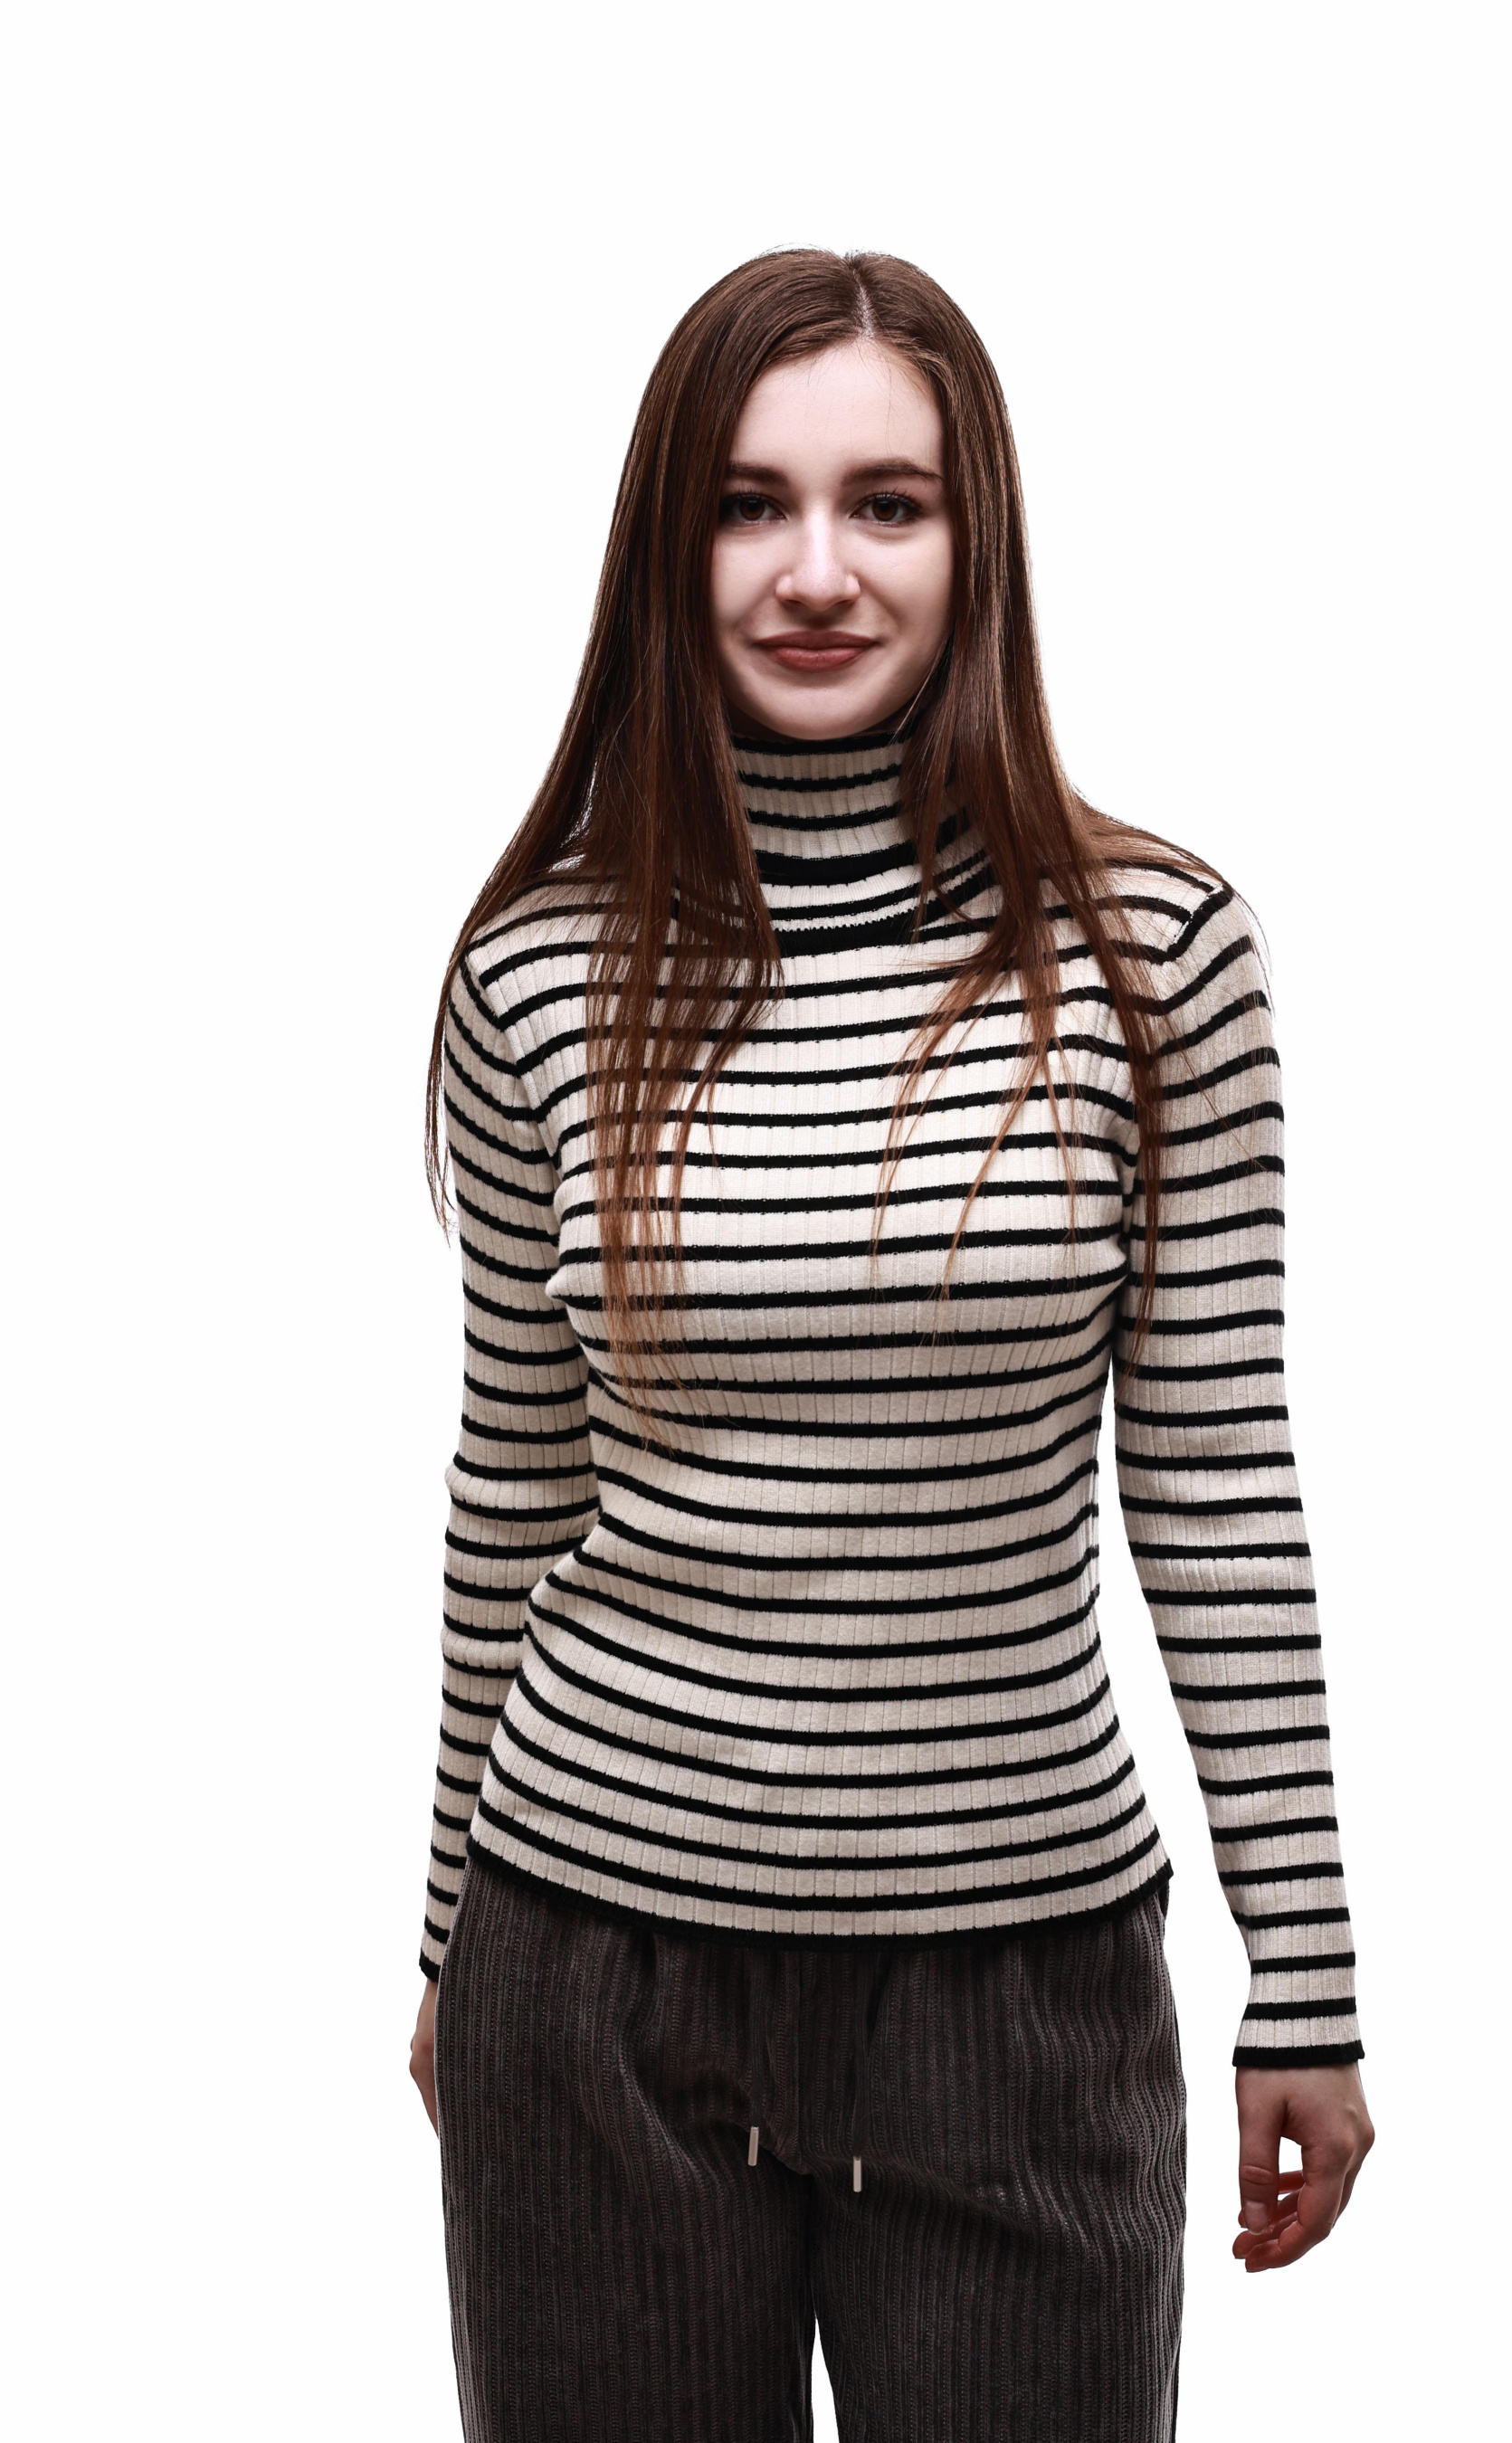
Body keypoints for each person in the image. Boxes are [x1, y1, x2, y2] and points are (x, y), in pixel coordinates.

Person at [406, 248, 1373, 2443]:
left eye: (887, 504)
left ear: (974, 536)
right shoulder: (535, 974)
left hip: (1018, 1993)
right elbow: (512, 1485)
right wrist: (446, 1935)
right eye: (748, 505)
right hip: (592, 1974)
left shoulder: (1150, 957)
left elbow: (1216, 1487)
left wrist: (1302, 1983)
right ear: (667, 550)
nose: (817, 572)